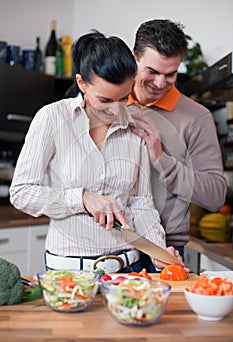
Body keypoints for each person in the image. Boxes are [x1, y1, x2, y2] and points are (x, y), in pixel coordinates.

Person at [10, 30, 174, 274]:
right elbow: (21, 193)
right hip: (69, 271)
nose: (116, 110)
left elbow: (141, 203)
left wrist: (158, 249)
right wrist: (82, 198)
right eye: (105, 100)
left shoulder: (136, 126)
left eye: (124, 98)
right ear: (81, 83)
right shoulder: (52, 118)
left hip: (129, 267)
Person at [127, 19, 227, 258]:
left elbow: (215, 196)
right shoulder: (109, 102)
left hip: (165, 251)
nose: (160, 83)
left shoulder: (197, 118)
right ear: (134, 58)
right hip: (109, 245)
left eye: (170, 74)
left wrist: (162, 160)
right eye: (152, 71)